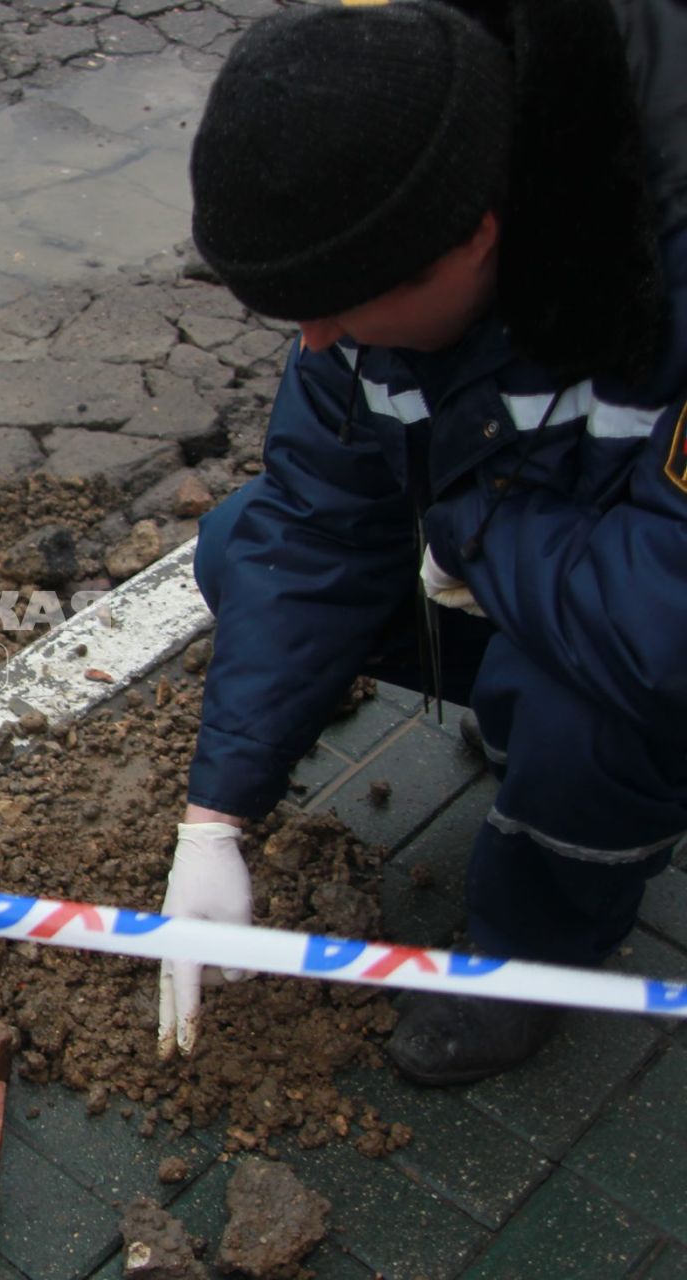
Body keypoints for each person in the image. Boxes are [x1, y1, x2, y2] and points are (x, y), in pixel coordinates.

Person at [159, 0, 687, 1084]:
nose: (312, 342)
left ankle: (532, 962)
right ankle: (516, 716)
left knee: (592, 721)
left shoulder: (661, 277)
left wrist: (476, 520)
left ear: (477, 240)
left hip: (651, 634)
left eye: (338, 308)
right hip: (537, 569)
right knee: (242, 540)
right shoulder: (402, 195)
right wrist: (214, 812)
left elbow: (666, 627)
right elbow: (312, 524)